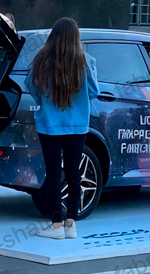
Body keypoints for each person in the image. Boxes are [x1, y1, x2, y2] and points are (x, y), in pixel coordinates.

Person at [23, 18, 99, 240]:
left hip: (49, 125)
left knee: (53, 173)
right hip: (77, 125)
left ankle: (56, 224)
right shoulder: (86, 62)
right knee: (74, 174)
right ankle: (71, 224)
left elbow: (32, 88)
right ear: (76, 36)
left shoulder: (41, 60)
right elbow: (93, 91)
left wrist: (48, 102)